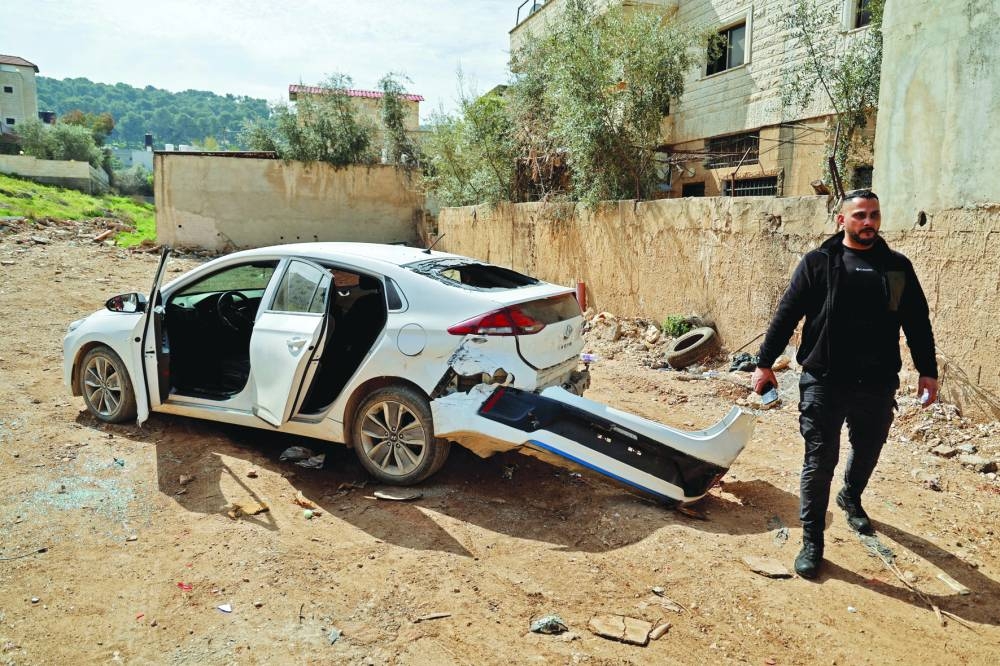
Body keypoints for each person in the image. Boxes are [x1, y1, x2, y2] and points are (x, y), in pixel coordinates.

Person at [751, 189, 938, 579]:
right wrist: (764, 363)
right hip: (825, 379)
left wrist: (927, 370)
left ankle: (851, 496)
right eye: (859, 216)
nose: (868, 222)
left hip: (877, 381)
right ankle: (813, 541)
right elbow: (787, 313)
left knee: (869, 448)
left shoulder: (896, 268)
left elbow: (917, 322)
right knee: (819, 461)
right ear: (842, 221)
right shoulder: (819, 263)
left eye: (874, 215)